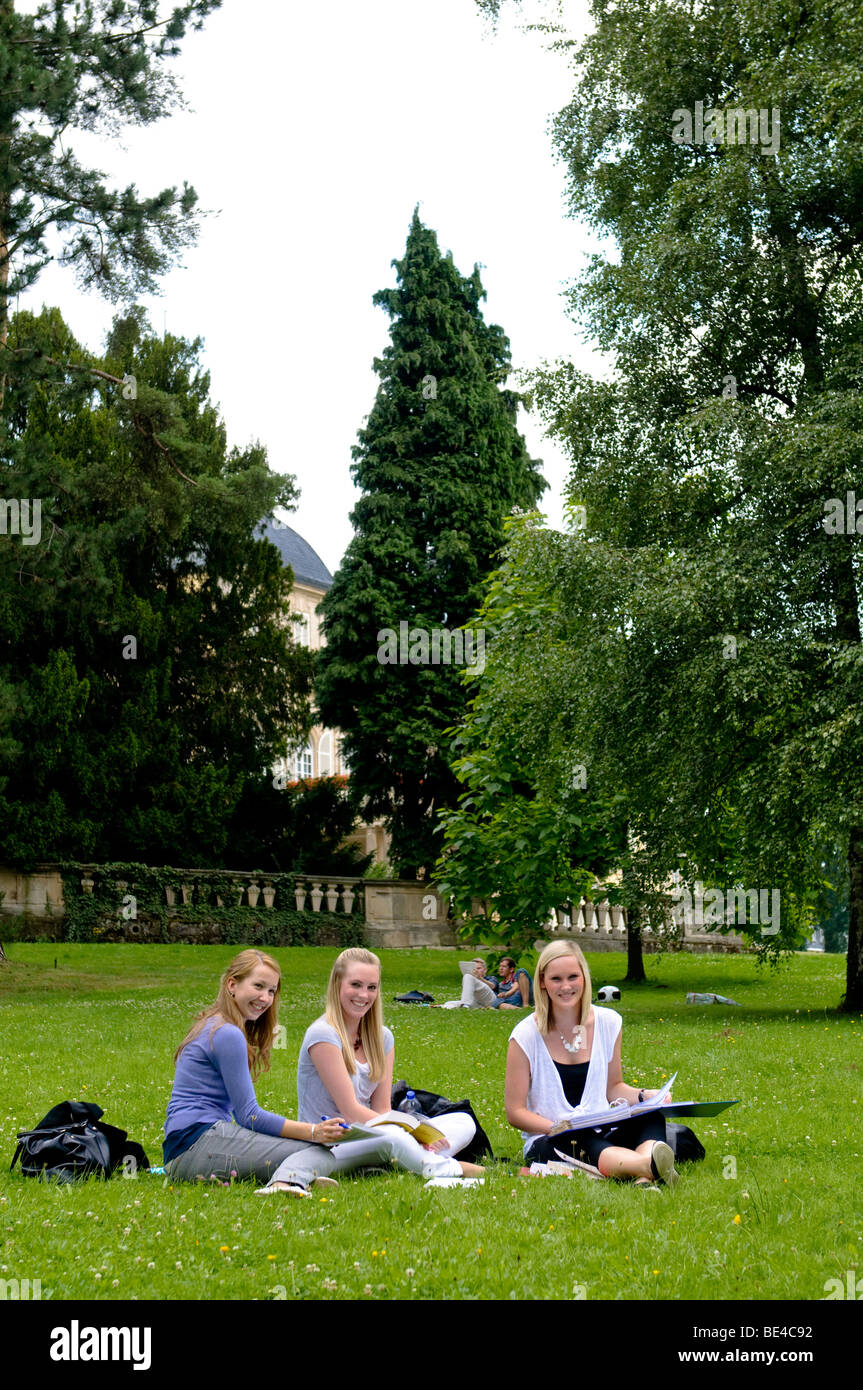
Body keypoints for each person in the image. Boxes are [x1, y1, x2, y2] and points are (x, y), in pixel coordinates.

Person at [164, 949, 344, 1197]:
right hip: (194, 1145)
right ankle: (284, 1183)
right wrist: (314, 1132)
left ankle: (299, 1175)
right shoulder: (227, 1033)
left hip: (187, 1145)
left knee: (311, 1150)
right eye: (258, 986)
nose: (265, 998)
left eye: (271, 990)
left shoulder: (216, 1023)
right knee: (318, 1152)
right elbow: (249, 1116)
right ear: (232, 985)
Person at [297, 947, 484, 1180]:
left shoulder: (382, 1037)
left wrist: (418, 1133)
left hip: (372, 1133)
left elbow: (382, 1110)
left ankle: (401, 1158)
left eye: (371, 987)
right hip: (331, 1145)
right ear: (337, 984)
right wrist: (411, 1133)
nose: (364, 995)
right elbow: (351, 1112)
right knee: (394, 1137)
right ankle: (450, 1168)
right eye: (355, 985)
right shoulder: (323, 1034)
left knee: (463, 1121)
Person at [504, 940, 678, 1187]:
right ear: (542, 982)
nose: (566, 986)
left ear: (584, 978)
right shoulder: (525, 1035)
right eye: (556, 979)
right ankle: (649, 1166)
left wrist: (644, 1096)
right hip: (552, 1138)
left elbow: (613, 1088)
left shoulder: (608, 1022)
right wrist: (557, 1127)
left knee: (649, 1116)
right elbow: (515, 1112)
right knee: (576, 1139)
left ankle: (641, 1173)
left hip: (601, 1128)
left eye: (573, 977)